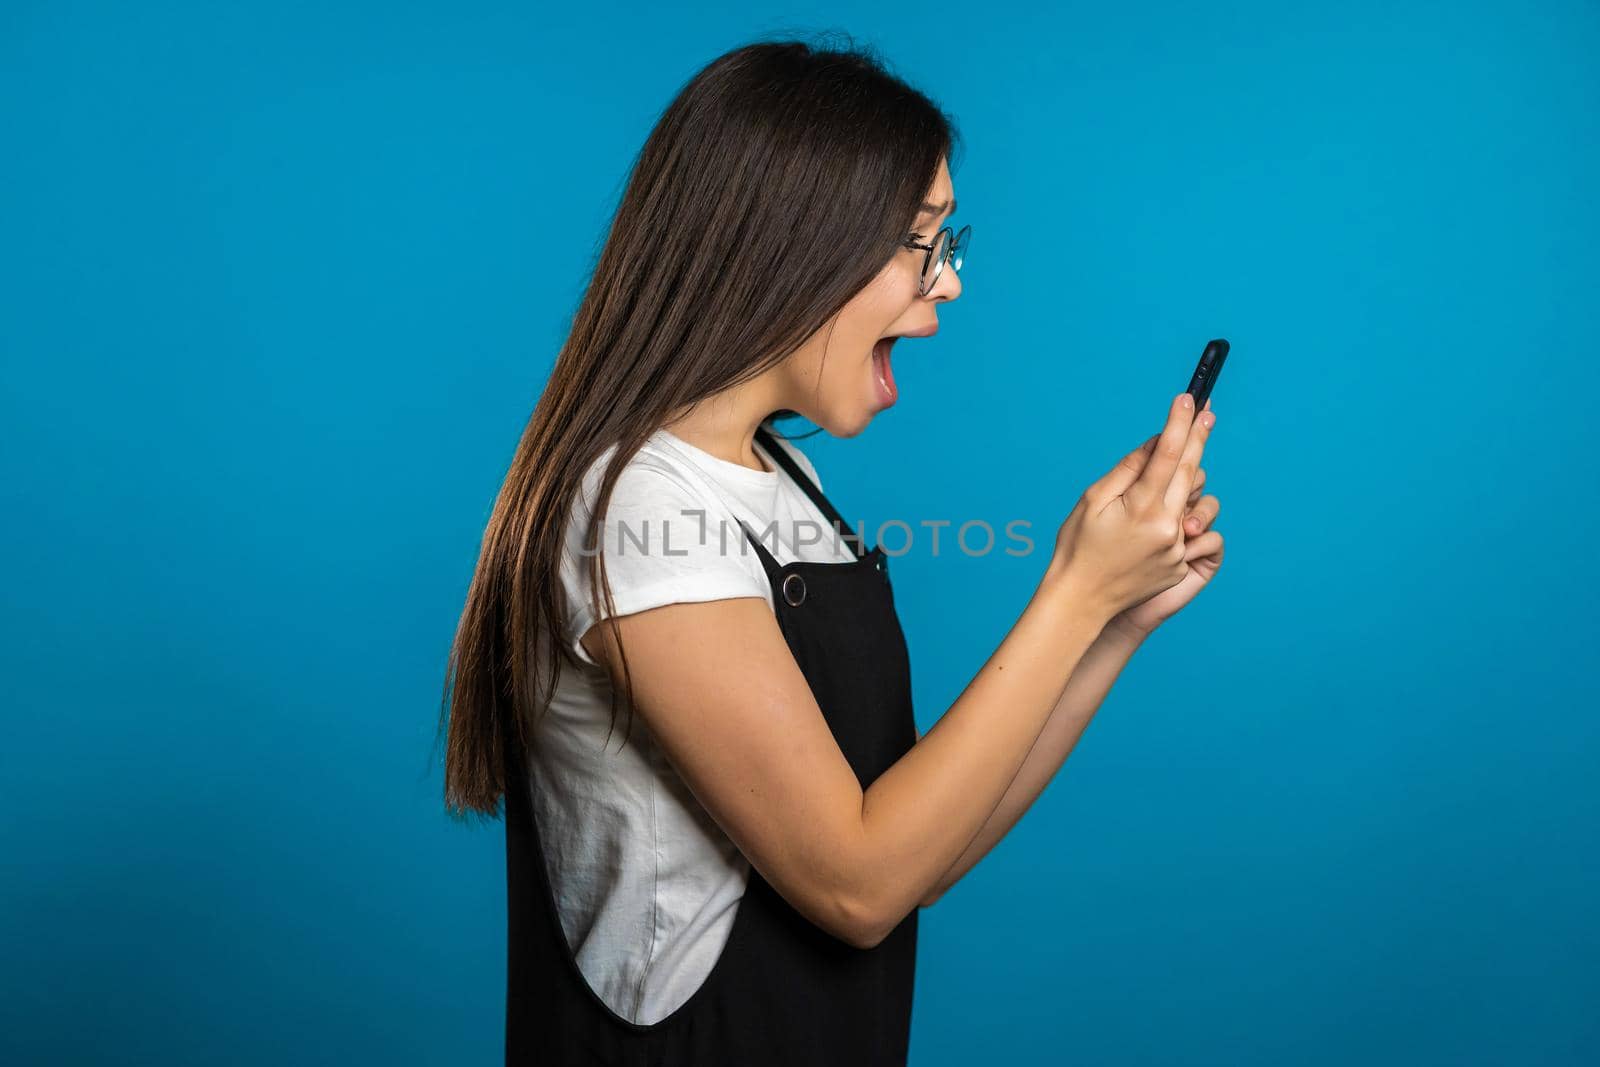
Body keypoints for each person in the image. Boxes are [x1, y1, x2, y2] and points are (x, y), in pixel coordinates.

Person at [437, 35, 1224, 1067]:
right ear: (792, 240)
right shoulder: (638, 508)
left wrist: (1109, 624)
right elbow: (856, 883)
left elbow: (916, 856)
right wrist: (1071, 594)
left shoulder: (778, 478)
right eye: (918, 241)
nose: (946, 288)